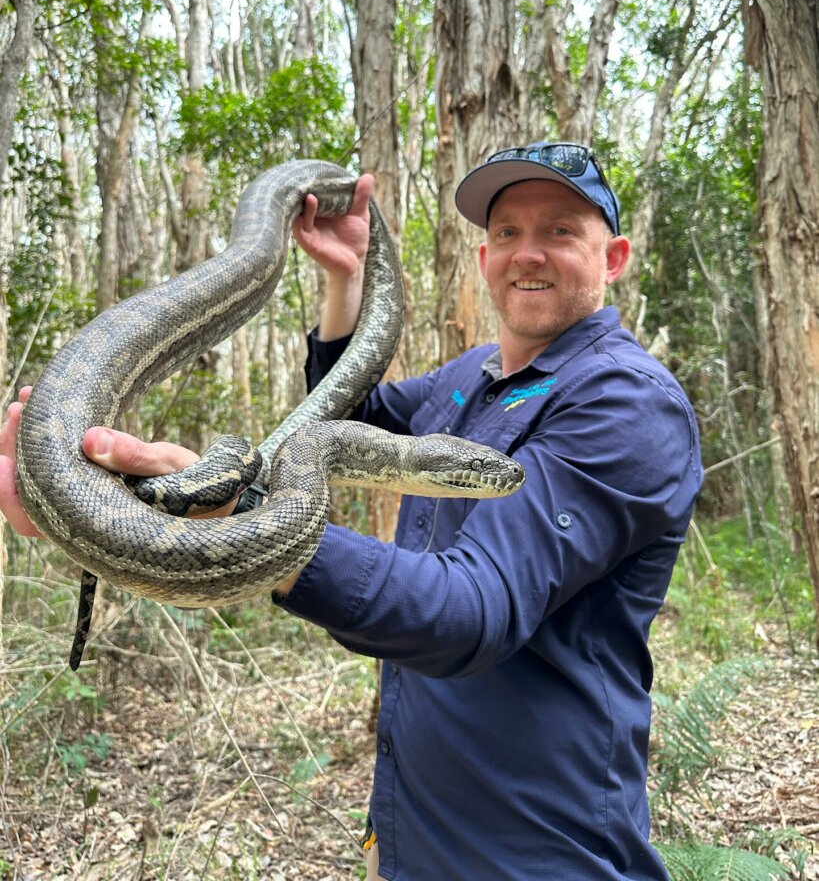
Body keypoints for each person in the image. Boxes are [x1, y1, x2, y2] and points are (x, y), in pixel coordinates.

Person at [0, 142, 702, 881]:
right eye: (506, 233)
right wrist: (346, 278)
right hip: (413, 821)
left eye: (560, 231)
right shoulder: (474, 374)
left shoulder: (626, 404)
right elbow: (348, 417)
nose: (527, 253)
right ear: (484, 254)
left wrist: (236, 519)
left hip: (540, 845)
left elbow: (470, 611)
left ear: (613, 257)